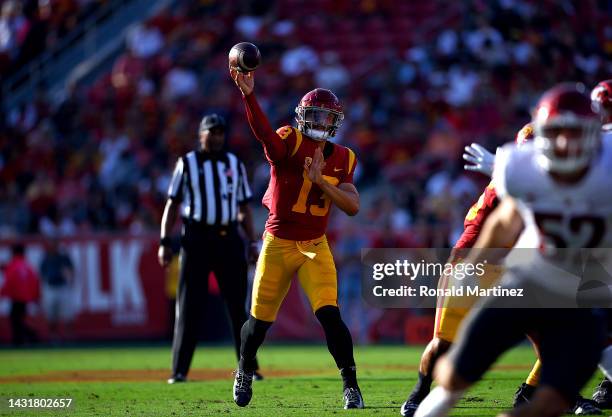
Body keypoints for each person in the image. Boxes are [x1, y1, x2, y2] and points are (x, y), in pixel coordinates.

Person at [414, 83, 608, 417]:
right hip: (526, 281)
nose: (564, 142)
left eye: (574, 133)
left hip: (583, 295)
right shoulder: (520, 164)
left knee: (551, 404)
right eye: (557, 132)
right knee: (451, 377)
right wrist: (470, 269)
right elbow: (503, 223)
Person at [229, 66, 364, 409]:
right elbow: (265, 137)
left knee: (330, 315)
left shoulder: (345, 157)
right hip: (278, 241)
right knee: (259, 322)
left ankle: (351, 386)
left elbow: (352, 206)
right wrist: (249, 96)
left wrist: (321, 182)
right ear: (303, 116)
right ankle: (244, 369)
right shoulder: (289, 138)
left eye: (326, 116)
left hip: (315, 246)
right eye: (314, 114)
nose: (320, 121)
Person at [399, 123, 535, 417]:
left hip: (511, 267)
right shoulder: (516, 178)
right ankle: (419, 393)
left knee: (553, 336)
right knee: (443, 343)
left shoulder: (524, 176)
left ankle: (536, 394)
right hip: (472, 262)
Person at [158, 113, 260, 384]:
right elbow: (172, 204)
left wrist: (252, 241)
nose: (216, 137)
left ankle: (248, 366)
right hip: (196, 238)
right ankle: (179, 370)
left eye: (220, 132)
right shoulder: (187, 163)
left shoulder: (233, 163)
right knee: (189, 304)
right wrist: (165, 242)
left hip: (228, 238)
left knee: (238, 306)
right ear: (200, 134)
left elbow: (244, 208)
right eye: (211, 132)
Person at [0, 244, 40, 345]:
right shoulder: (27, 265)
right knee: (19, 319)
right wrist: (35, 297)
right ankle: (28, 337)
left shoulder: (13, 265)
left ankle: (21, 340)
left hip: (16, 298)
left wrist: (2, 294)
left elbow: (9, 282)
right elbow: (34, 282)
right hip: (25, 298)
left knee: (15, 320)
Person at [39, 238, 75, 341]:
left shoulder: (63, 257)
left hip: (63, 287)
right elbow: (42, 273)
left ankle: (69, 335)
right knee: (51, 314)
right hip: (51, 287)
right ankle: (53, 336)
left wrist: (69, 278)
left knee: (68, 313)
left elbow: (71, 271)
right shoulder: (46, 258)